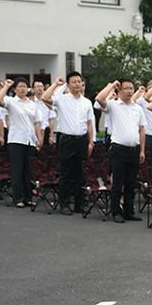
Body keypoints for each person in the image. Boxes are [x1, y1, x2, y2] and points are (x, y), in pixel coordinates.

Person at [42, 72, 95, 215]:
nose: (77, 84)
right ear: (69, 84)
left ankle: (79, 204)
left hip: (82, 140)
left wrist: (91, 141)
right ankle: (64, 204)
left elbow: (89, 123)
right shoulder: (62, 99)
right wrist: (56, 84)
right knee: (65, 173)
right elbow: (44, 97)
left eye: (79, 81)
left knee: (80, 173)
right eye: (74, 82)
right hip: (66, 140)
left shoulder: (87, 102)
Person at [96, 79, 146, 223]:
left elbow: (142, 129)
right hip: (118, 149)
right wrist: (111, 85)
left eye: (131, 88)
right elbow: (99, 99)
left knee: (131, 183)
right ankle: (116, 211)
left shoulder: (137, 108)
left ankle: (128, 211)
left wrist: (142, 150)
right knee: (118, 182)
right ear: (119, 90)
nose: (130, 91)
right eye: (126, 88)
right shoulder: (113, 105)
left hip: (134, 149)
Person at [0, 78, 43, 207]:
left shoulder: (32, 104)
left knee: (29, 170)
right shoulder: (11, 101)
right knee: (17, 170)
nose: (23, 89)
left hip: (30, 141)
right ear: (15, 89)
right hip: (16, 140)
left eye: (25, 86)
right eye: (20, 86)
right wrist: (6, 86)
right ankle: (18, 198)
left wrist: (39, 138)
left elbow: (37, 123)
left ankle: (28, 197)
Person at [31, 80, 57, 146]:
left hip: (46, 130)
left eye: (41, 86)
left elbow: (51, 119)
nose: (40, 88)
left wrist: (51, 135)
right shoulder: (30, 102)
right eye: (37, 86)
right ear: (33, 89)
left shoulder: (48, 102)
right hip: (33, 130)